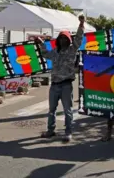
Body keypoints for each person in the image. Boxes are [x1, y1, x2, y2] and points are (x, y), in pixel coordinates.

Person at [35, 15, 85, 143]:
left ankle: (68, 132)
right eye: (61, 38)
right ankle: (50, 130)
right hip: (54, 85)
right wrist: (41, 43)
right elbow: (45, 53)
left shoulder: (72, 50)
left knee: (67, 111)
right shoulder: (55, 52)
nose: (63, 40)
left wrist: (81, 24)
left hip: (66, 85)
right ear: (58, 40)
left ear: (69, 40)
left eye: (65, 38)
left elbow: (79, 39)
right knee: (51, 110)